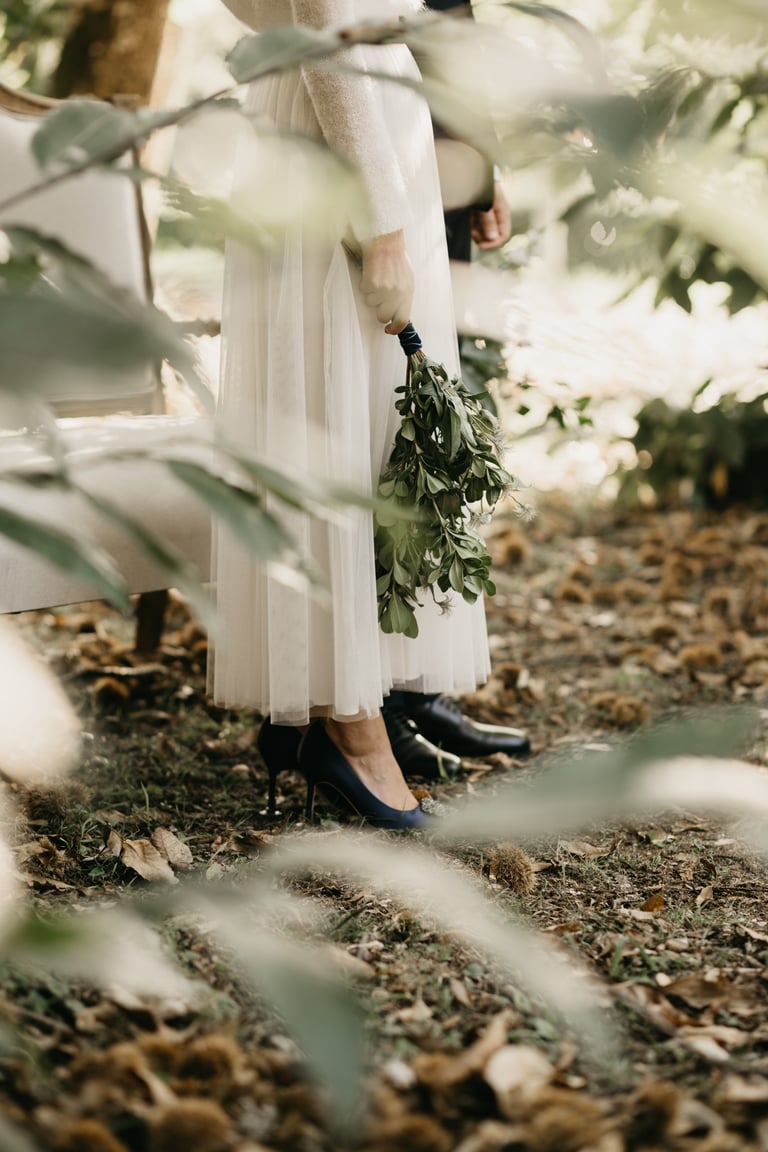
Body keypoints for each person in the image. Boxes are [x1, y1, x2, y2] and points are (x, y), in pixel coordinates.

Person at [210, 0, 527, 830]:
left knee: (364, 424)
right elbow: (321, 27)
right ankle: (346, 725)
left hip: (364, 123)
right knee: (333, 425)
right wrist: (379, 221)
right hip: (343, 141)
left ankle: (339, 706)